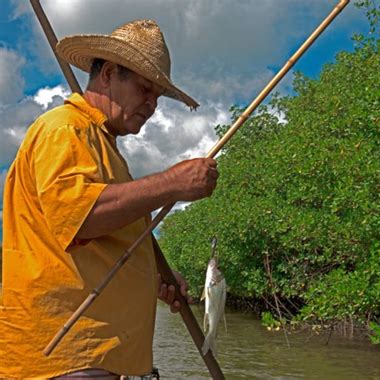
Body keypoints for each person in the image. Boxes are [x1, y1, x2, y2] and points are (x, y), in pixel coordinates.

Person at [0, 19, 218, 379]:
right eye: (145, 88)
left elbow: (103, 246)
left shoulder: (105, 149)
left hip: (100, 356)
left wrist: (155, 276)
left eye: (158, 97)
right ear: (110, 74)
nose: (152, 105)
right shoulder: (65, 129)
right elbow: (82, 216)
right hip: (70, 358)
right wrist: (171, 183)